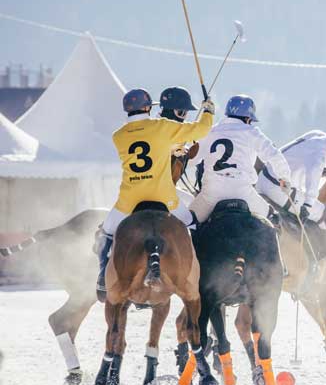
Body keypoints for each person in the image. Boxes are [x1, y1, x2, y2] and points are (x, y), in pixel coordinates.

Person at [95, 88, 214, 300]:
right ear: (148, 107)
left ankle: (102, 279)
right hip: (163, 196)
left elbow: (149, 145)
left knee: (106, 232)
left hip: (130, 199)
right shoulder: (162, 127)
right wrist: (208, 111)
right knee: (191, 224)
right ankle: (196, 273)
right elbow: (201, 130)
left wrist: (172, 146)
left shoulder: (118, 136)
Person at [256, 129, 326, 281]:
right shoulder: (321, 154)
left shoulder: (318, 136)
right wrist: (307, 205)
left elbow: (300, 156)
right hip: (276, 188)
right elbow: (312, 180)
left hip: (265, 179)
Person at [189, 95, 290, 224]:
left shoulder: (211, 131)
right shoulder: (252, 132)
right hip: (243, 193)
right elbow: (274, 155)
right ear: (248, 118)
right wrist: (284, 178)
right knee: (273, 219)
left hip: (211, 194)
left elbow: (192, 160)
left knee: (187, 223)